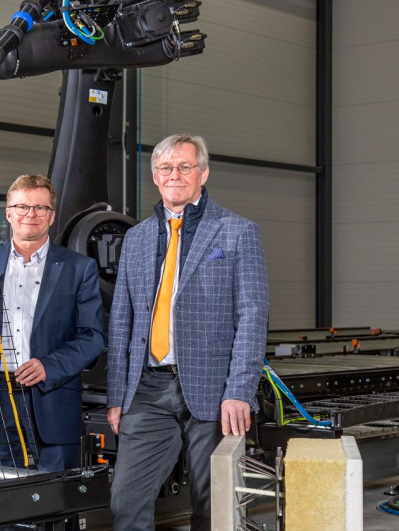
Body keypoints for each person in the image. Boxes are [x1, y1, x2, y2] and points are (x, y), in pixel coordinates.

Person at [107, 134, 269, 530]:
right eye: (165, 168)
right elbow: (121, 320)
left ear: (203, 173)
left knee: (214, 507)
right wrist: (117, 394)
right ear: (155, 177)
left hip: (214, 391)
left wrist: (239, 390)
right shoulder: (137, 238)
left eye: (185, 166)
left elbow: (253, 313)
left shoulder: (236, 231)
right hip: (147, 388)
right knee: (125, 502)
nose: (174, 175)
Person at [0, 174, 105, 472]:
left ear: (52, 216)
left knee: (58, 498)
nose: (30, 214)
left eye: (39, 208)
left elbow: (93, 336)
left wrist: (50, 365)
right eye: (22, 207)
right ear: (8, 213)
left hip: (52, 395)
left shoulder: (78, 268)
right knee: (1, 496)